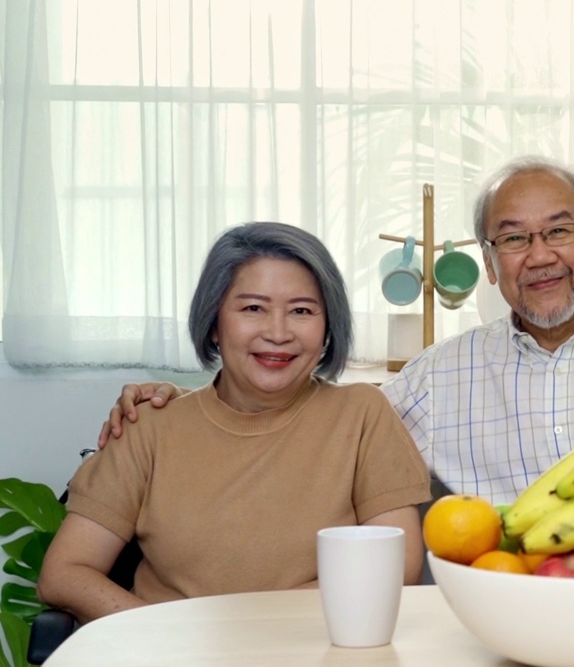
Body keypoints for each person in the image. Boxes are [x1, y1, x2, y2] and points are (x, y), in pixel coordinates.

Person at [99, 158, 574, 546]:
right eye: (512, 239)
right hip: (496, 618)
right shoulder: (441, 376)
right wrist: (189, 403)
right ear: (489, 262)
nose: (538, 256)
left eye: (558, 232)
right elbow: (314, 423)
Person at [40, 223, 431, 623]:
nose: (278, 333)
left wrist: (236, 634)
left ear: (328, 327)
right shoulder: (150, 425)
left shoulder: (362, 414)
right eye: (252, 308)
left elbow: (395, 569)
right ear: (213, 323)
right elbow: (65, 573)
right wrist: (163, 639)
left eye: (301, 311)